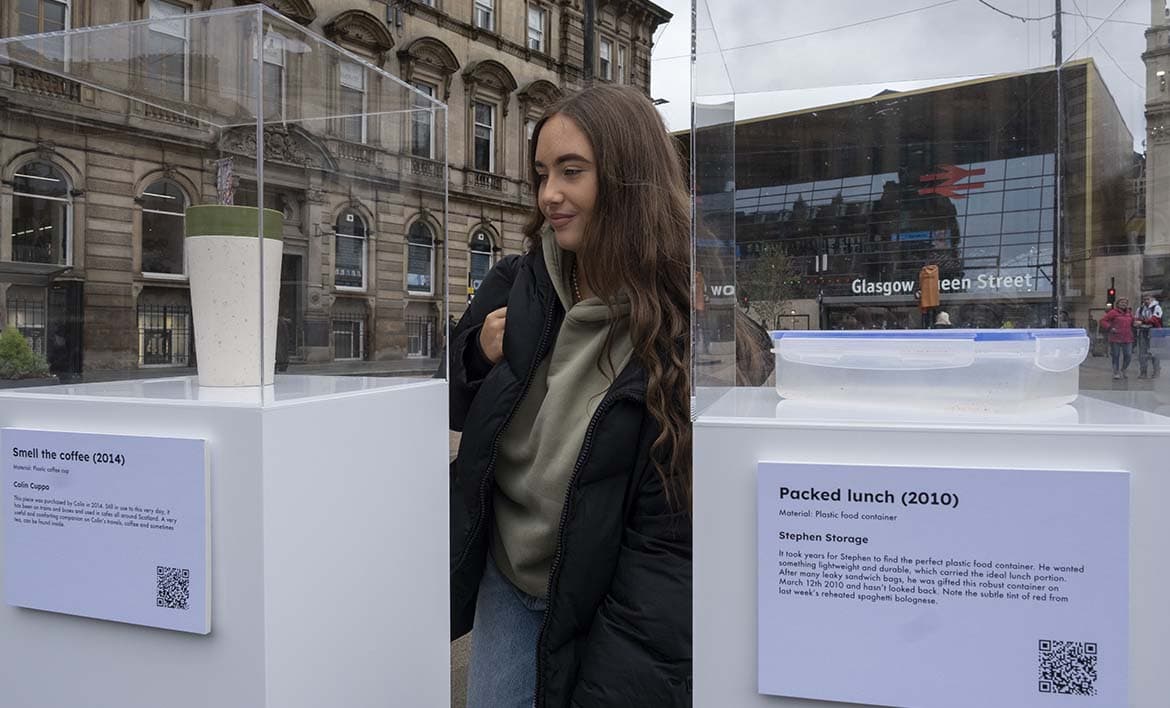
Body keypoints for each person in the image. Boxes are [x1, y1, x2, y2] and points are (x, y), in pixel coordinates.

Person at [447, 85, 691, 707]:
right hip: (509, 574)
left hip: (605, 588)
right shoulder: (519, 282)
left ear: (629, 178)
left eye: (571, 172)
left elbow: (670, 538)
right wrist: (477, 355)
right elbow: (450, 399)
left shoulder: (685, 325)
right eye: (541, 174)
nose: (548, 194)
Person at [1099, 297, 1136, 380]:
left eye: (1125, 303)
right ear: (1118, 304)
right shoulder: (1113, 312)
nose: (1124, 304)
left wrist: (1137, 323)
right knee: (1116, 355)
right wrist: (1110, 327)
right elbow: (1102, 321)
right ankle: (1116, 372)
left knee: (1128, 355)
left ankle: (1124, 369)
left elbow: (1133, 322)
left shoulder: (1129, 313)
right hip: (1115, 338)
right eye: (1122, 302)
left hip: (1127, 338)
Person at [1135, 293, 1163, 379]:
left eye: (1148, 299)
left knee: (1155, 352)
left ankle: (1156, 371)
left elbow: (1155, 319)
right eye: (1144, 299)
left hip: (1154, 332)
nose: (1146, 301)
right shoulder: (1140, 309)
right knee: (1142, 353)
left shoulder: (1157, 307)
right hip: (1143, 331)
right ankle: (1143, 372)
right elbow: (1136, 319)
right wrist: (1138, 323)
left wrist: (1142, 321)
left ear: (1152, 299)